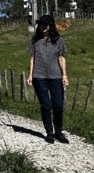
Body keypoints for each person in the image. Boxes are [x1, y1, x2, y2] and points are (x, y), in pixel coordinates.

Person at [27, 14, 69, 144]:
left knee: (58, 105)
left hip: (55, 76)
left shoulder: (58, 41)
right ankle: (49, 132)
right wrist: (30, 75)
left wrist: (64, 75)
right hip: (39, 77)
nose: (42, 27)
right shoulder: (35, 41)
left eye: (45, 25)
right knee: (45, 105)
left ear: (51, 26)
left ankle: (58, 131)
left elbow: (61, 58)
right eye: (41, 24)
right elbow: (32, 58)